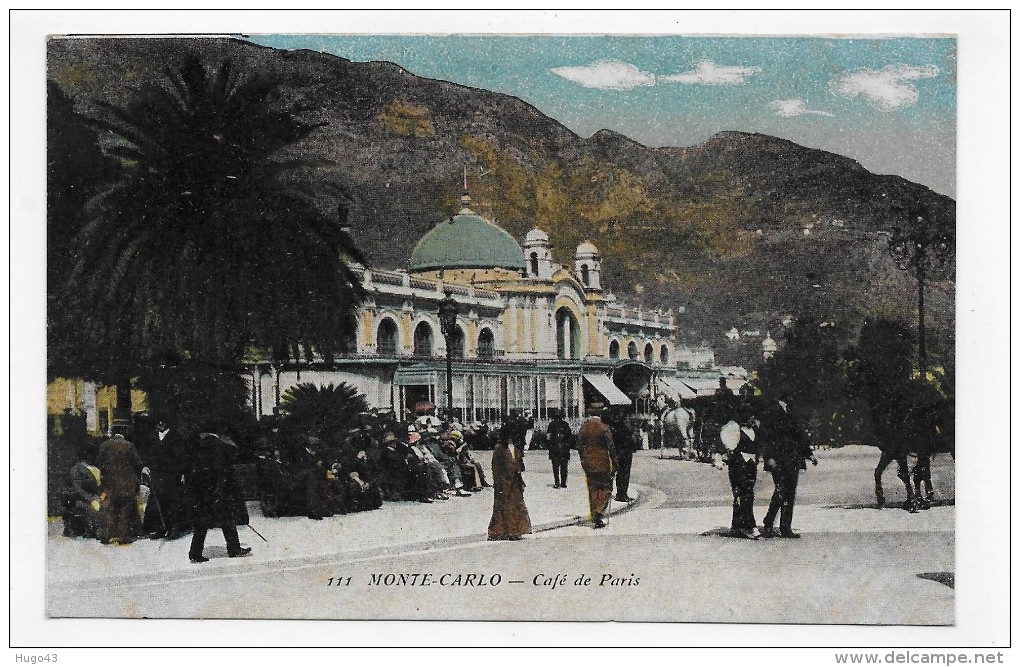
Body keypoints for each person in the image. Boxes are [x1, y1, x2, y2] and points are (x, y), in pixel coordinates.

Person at [185, 432, 252, 563]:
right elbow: (220, 471)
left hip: (202, 490)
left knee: (201, 523)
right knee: (228, 521)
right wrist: (220, 490)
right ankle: (234, 549)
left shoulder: (198, 446)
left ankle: (195, 552)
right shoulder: (219, 447)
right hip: (216, 490)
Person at [761, 400, 817, 538]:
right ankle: (768, 523)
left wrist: (809, 454)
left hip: (793, 459)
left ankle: (785, 527)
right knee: (780, 492)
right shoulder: (770, 412)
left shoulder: (793, 412)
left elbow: (800, 437)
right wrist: (768, 458)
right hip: (778, 459)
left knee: (790, 493)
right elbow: (765, 438)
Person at [140, 419, 190, 539]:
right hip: (157, 474)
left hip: (172, 474)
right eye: (158, 421)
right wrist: (145, 465)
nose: (160, 424)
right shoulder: (153, 437)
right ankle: (160, 528)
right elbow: (148, 454)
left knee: (172, 501)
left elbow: (182, 456)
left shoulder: (176, 437)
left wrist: (183, 473)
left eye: (163, 421)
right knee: (158, 501)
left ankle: (174, 528)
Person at [96, 431, 144, 545]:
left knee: (111, 508)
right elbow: (137, 463)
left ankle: (107, 536)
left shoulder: (104, 445)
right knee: (125, 509)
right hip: (126, 483)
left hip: (110, 483)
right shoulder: (129, 446)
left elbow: (98, 463)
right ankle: (123, 536)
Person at [487, 426, 532, 540]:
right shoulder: (499, 449)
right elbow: (495, 468)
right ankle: (500, 531)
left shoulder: (516, 448)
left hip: (515, 481)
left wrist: (519, 466)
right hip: (504, 481)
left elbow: (520, 464)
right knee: (503, 507)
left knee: (516, 506)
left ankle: (515, 530)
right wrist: (498, 483)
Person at [721, 413, 761, 539]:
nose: (752, 419)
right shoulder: (734, 430)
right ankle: (751, 526)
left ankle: (736, 526)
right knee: (744, 494)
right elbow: (730, 448)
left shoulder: (755, 430)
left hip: (751, 465)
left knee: (745, 495)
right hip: (738, 465)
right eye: (750, 417)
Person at [576, 412, 617, 528]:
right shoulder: (603, 428)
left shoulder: (583, 428)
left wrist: (583, 458)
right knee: (606, 487)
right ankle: (599, 510)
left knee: (593, 489)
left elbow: (578, 445)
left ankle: (595, 513)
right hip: (602, 462)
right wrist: (614, 462)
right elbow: (611, 446)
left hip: (588, 462)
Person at [61, 444, 102, 538]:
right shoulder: (76, 469)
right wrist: (91, 499)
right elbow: (77, 489)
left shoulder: (93, 468)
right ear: (86, 455)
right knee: (92, 509)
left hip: (91, 497)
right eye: (92, 455)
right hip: (77, 499)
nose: (94, 457)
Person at [608, 411, 638, 503]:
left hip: (619, 452)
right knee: (624, 473)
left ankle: (616, 493)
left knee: (617, 472)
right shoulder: (625, 429)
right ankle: (622, 494)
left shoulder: (614, 427)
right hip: (625, 453)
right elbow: (630, 441)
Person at [546, 409, 573, 489]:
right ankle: (563, 482)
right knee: (564, 466)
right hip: (564, 448)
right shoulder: (565, 424)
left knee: (556, 467)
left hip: (554, 449)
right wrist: (567, 444)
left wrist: (550, 445)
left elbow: (548, 437)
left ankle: (557, 483)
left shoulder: (551, 425)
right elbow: (570, 437)